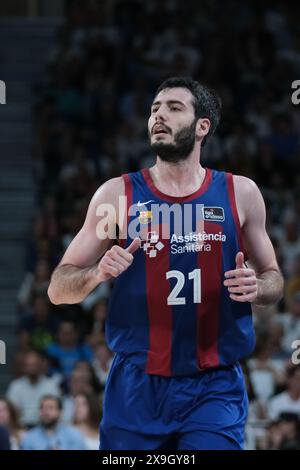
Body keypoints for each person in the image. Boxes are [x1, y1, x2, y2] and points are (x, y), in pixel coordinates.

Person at [48, 77, 283, 450]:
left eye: (174, 108)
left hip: (213, 384)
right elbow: (58, 289)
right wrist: (97, 272)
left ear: (202, 126)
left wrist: (258, 287)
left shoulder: (241, 193)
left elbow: (274, 279)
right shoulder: (117, 195)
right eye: (155, 109)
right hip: (136, 385)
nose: (159, 116)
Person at [6, 350, 60, 427]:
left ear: (41, 365)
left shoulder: (51, 385)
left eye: (34, 365)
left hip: (46, 426)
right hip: (21, 427)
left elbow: (57, 410)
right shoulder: (16, 386)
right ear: (24, 367)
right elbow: (11, 411)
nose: (31, 368)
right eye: (28, 365)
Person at [20, 395, 86, 450]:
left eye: (50, 408)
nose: (45, 412)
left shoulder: (74, 436)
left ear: (60, 412)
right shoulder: (29, 438)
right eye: (42, 408)